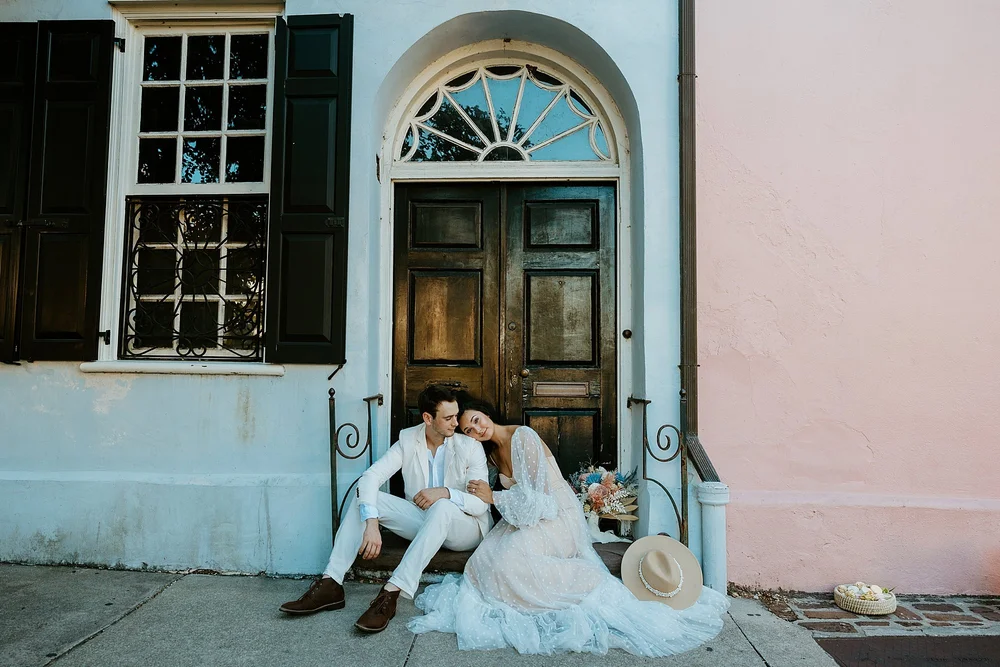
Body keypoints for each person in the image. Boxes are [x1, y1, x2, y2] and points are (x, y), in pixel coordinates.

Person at [406, 394, 730, 656]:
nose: (476, 430)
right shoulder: (491, 455)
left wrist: (495, 499)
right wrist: (452, 492)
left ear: (485, 413)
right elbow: (478, 489)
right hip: (522, 517)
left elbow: (542, 502)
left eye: (476, 420)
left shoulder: (524, 437)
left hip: (556, 516)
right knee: (483, 560)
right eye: (467, 430)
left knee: (508, 561)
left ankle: (587, 583)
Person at [279, 385, 491, 633]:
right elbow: (370, 477)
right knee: (367, 497)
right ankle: (331, 583)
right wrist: (371, 523)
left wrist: (445, 492)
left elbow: (480, 504)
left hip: (465, 528)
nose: (456, 422)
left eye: (456, 416)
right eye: (448, 418)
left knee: (442, 507)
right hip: (424, 522)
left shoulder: (469, 447)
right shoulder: (408, 439)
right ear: (427, 418)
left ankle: (390, 593)